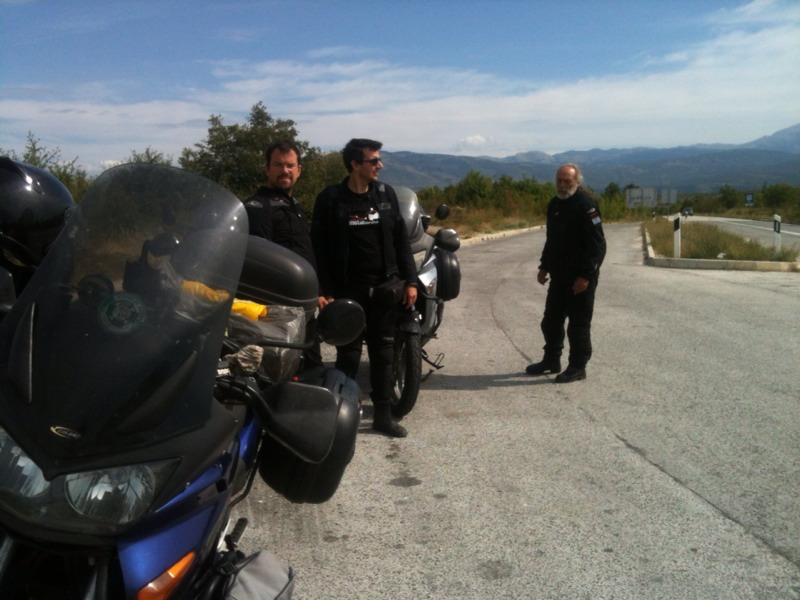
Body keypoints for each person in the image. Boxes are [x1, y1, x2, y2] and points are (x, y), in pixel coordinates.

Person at [311, 139, 417, 437]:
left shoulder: (385, 195)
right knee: (348, 356)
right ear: (355, 164)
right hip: (347, 291)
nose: (380, 166)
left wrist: (410, 281)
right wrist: (324, 290)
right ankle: (342, 416)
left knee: (384, 355)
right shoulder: (331, 199)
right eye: (374, 161)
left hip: (385, 289)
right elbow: (318, 249)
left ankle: (383, 416)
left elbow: (401, 242)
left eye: (378, 160)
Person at [244, 140, 324, 370]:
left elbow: (303, 251)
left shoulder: (294, 206)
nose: (285, 171)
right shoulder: (258, 207)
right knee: (282, 372)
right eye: (278, 165)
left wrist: (317, 292)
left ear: (299, 170)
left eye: (290, 165)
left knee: (311, 368)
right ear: (267, 169)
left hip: (303, 305)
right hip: (278, 313)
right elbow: (259, 263)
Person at [526, 163, 606, 383]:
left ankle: (578, 367)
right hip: (559, 276)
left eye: (567, 181)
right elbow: (551, 240)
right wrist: (544, 266)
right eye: (559, 181)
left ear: (577, 182)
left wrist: (586, 276)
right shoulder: (555, 205)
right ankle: (551, 360)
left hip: (580, 278)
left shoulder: (586, 205)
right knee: (550, 321)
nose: (562, 185)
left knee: (578, 325)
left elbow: (598, 246)